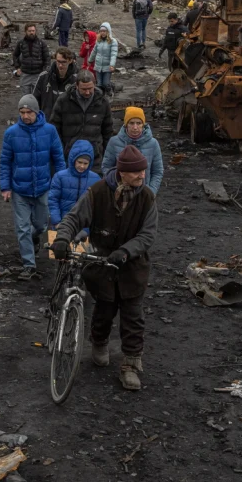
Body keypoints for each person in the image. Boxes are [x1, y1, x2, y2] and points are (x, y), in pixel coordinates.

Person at [52, 145, 157, 391]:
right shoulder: (98, 192)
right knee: (104, 310)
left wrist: (126, 251)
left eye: (144, 170)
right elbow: (74, 218)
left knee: (133, 318)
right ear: (122, 172)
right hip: (102, 265)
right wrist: (62, 238)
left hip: (133, 268)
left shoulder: (147, 197)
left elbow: (148, 234)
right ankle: (99, 342)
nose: (142, 175)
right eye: (137, 172)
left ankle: (130, 366)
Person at [0, 95, 66, 273]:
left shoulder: (50, 131)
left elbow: (58, 159)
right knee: (22, 228)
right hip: (20, 188)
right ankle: (29, 265)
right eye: (22, 112)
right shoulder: (11, 134)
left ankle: (34, 238)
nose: (26, 116)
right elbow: (5, 161)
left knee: (41, 226)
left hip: (43, 187)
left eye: (29, 112)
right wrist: (5, 187)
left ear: (37, 112)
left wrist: (60, 184)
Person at [50, 71, 114, 161]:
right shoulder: (63, 101)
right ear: (76, 86)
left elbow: (108, 131)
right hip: (69, 156)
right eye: (83, 89)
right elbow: (55, 128)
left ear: (94, 85)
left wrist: (106, 155)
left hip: (95, 157)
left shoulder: (103, 102)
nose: (87, 92)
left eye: (90, 88)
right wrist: (61, 151)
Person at [102, 107, 164, 194]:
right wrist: (114, 187)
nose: (135, 127)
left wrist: (151, 192)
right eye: (131, 123)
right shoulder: (114, 142)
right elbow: (107, 168)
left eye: (138, 123)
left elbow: (157, 171)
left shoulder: (153, 144)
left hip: (144, 193)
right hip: (119, 193)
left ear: (143, 124)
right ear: (126, 124)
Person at [48, 139, 101, 229]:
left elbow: (98, 205)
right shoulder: (60, 177)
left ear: (90, 163)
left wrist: (89, 228)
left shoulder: (96, 179)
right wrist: (57, 222)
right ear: (73, 160)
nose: (82, 166)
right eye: (79, 162)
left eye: (85, 163)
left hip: (85, 227)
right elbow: (53, 200)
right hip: (62, 224)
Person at [33, 47, 78, 117]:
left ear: (70, 61)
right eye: (58, 61)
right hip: (47, 120)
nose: (60, 65)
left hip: (67, 122)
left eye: (63, 62)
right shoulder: (44, 77)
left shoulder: (76, 80)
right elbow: (35, 100)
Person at [13, 23, 49, 95]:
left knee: (37, 97)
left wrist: (45, 71)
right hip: (25, 75)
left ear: (35, 31)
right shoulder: (21, 43)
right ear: (26, 31)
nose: (31, 32)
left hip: (38, 75)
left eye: (33, 31)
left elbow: (47, 58)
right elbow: (15, 55)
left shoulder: (41, 43)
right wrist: (17, 67)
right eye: (29, 31)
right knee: (26, 98)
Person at [87, 23, 119, 98]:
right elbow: (94, 51)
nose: (102, 32)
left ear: (108, 31)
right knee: (99, 84)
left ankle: (110, 90)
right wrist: (90, 60)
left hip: (107, 66)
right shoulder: (98, 40)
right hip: (98, 66)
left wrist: (112, 65)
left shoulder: (113, 41)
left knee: (106, 83)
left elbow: (113, 54)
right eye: (101, 31)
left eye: (104, 31)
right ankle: (101, 96)